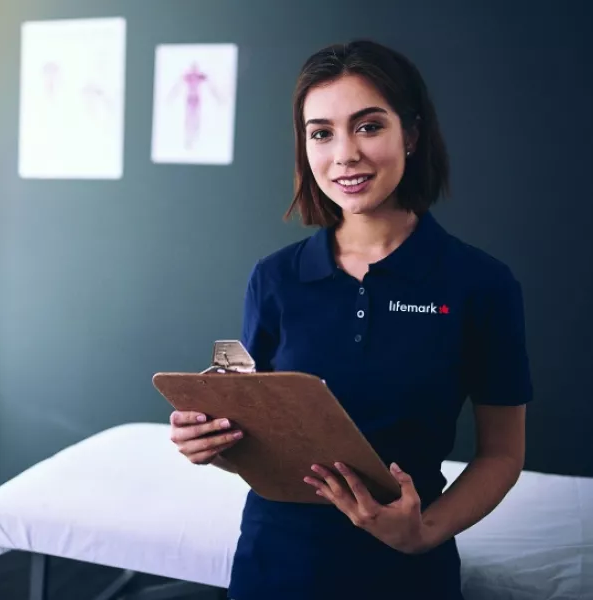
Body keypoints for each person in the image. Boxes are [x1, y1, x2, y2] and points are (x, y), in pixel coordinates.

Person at [169, 40, 531, 600]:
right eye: (321, 132)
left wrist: (424, 532)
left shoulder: (481, 284)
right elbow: (257, 429)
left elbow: (503, 453)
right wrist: (211, 440)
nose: (344, 155)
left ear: (410, 134)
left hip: (406, 571)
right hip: (274, 562)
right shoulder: (275, 278)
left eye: (367, 126)